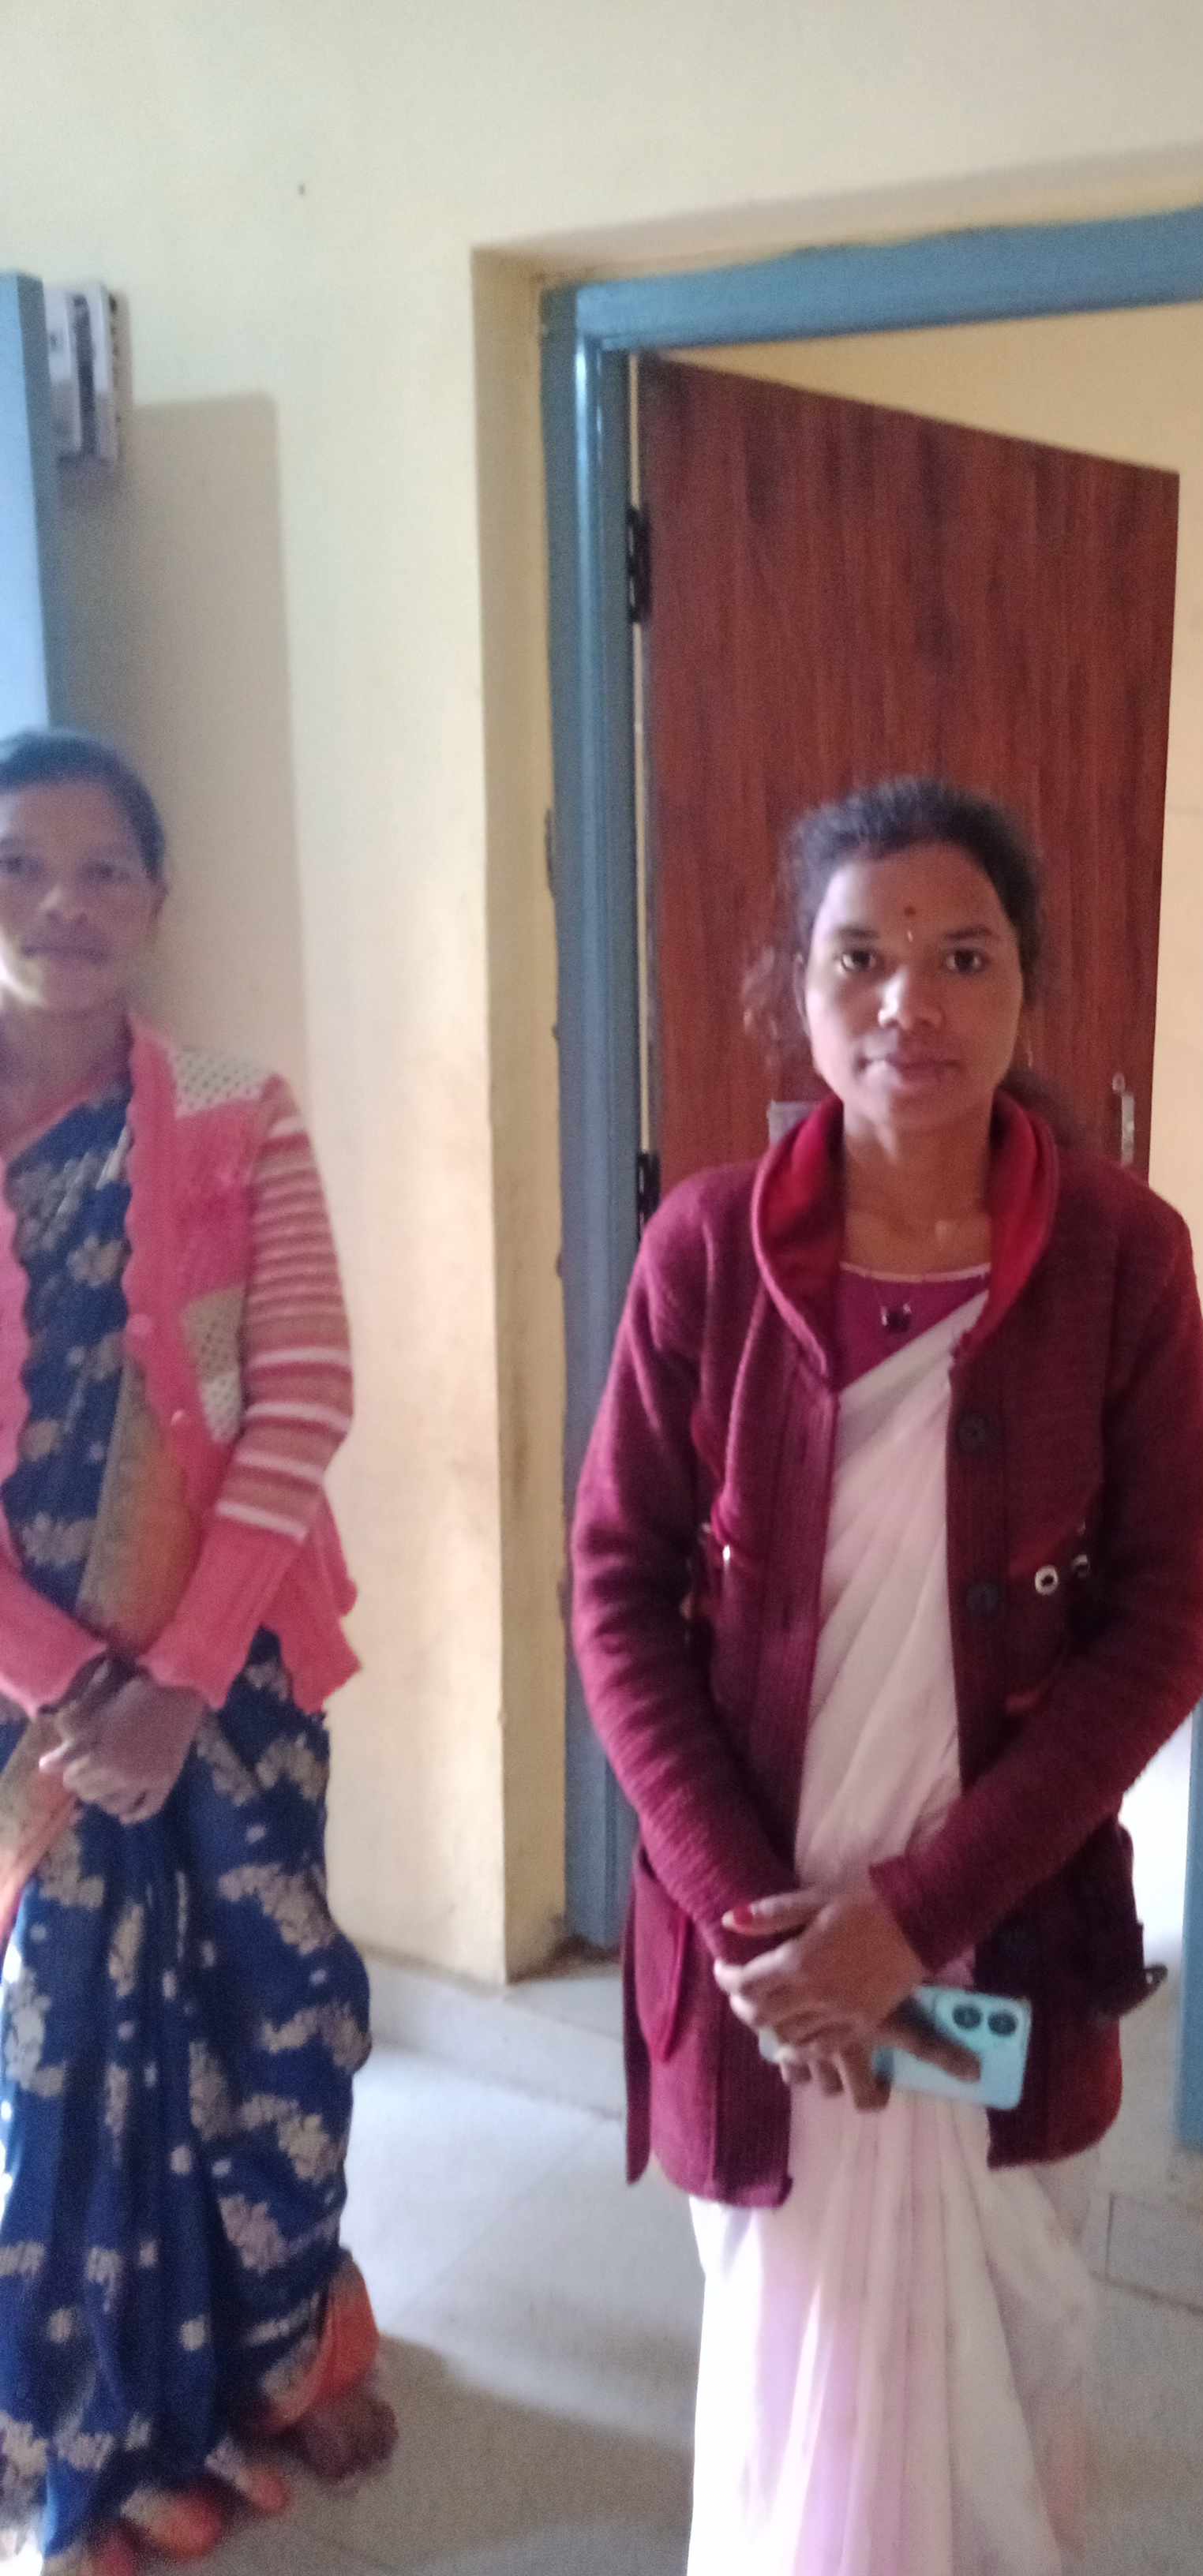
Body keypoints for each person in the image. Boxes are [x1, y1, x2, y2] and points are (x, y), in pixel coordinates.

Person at [572, 777, 1203, 2574]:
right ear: (798, 988)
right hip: (765, 1962)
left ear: (1028, 986)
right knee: (797, 2364)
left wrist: (913, 1924)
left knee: (1000, 2359)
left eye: (962, 957)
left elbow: (1164, 1623)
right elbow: (617, 1595)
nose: (907, 1004)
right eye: (859, 958)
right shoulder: (708, 1250)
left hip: (994, 1938)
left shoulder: (1122, 1260)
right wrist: (775, 1942)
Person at [0, 729, 395, 2575]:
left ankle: (281, 2350)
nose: (61, 904)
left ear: (156, 902)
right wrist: (79, 1689)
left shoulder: (241, 1109)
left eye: (103, 869)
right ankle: (103, 2428)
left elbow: (305, 1390)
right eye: (18, 866)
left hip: (232, 1672)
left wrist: (177, 1678)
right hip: (29, 1705)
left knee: (274, 2008)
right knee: (72, 2051)